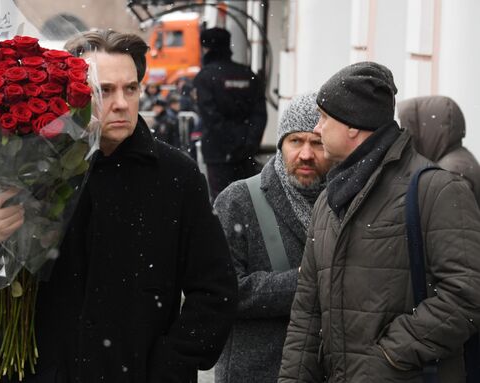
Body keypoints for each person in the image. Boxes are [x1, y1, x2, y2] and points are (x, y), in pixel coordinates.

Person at [0, 30, 238, 383]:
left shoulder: (176, 175)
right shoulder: (29, 167)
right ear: (74, 92)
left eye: (130, 88)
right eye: (104, 90)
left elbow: (215, 292)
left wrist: (169, 365)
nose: (121, 103)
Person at [278, 62, 480, 382]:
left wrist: (388, 358)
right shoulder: (328, 201)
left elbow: (467, 294)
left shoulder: (437, 189)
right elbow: (307, 315)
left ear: (353, 126)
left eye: (324, 118)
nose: (317, 129)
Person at [213, 93, 333, 383]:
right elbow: (223, 292)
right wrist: (304, 281)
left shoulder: (342, 201)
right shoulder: (238, 199)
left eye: (316, 142)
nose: (306, 154)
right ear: (281, 145)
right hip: (256, 372)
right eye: (296, 141)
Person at [193, 27, 267, 200]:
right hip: (246, 154)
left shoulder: (205, 77)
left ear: (206, 48)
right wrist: (248, 144)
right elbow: (259, 115)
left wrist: (230, 146)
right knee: (248, 202)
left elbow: (211, 118)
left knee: (222, 203)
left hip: (218, 154)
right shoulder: (248, 75)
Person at [398, 95, 480, 205]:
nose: (402, 137)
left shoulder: (451, 174)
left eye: (405, 130)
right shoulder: (456, 160)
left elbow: (454, 219)